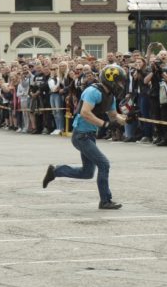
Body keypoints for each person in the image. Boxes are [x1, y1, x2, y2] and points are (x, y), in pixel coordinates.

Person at [43, 64, 127, 210]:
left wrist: (127, 119)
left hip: (89, 136)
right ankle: (105, 201)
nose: (121, 85)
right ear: (110, 80)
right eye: (119, 81)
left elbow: (113, 115)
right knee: (104, 164)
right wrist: (105, 125)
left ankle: (55, 171)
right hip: (81, 135)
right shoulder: (92, 91)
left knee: (87, 173)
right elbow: (85, 113)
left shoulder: (110, 96)